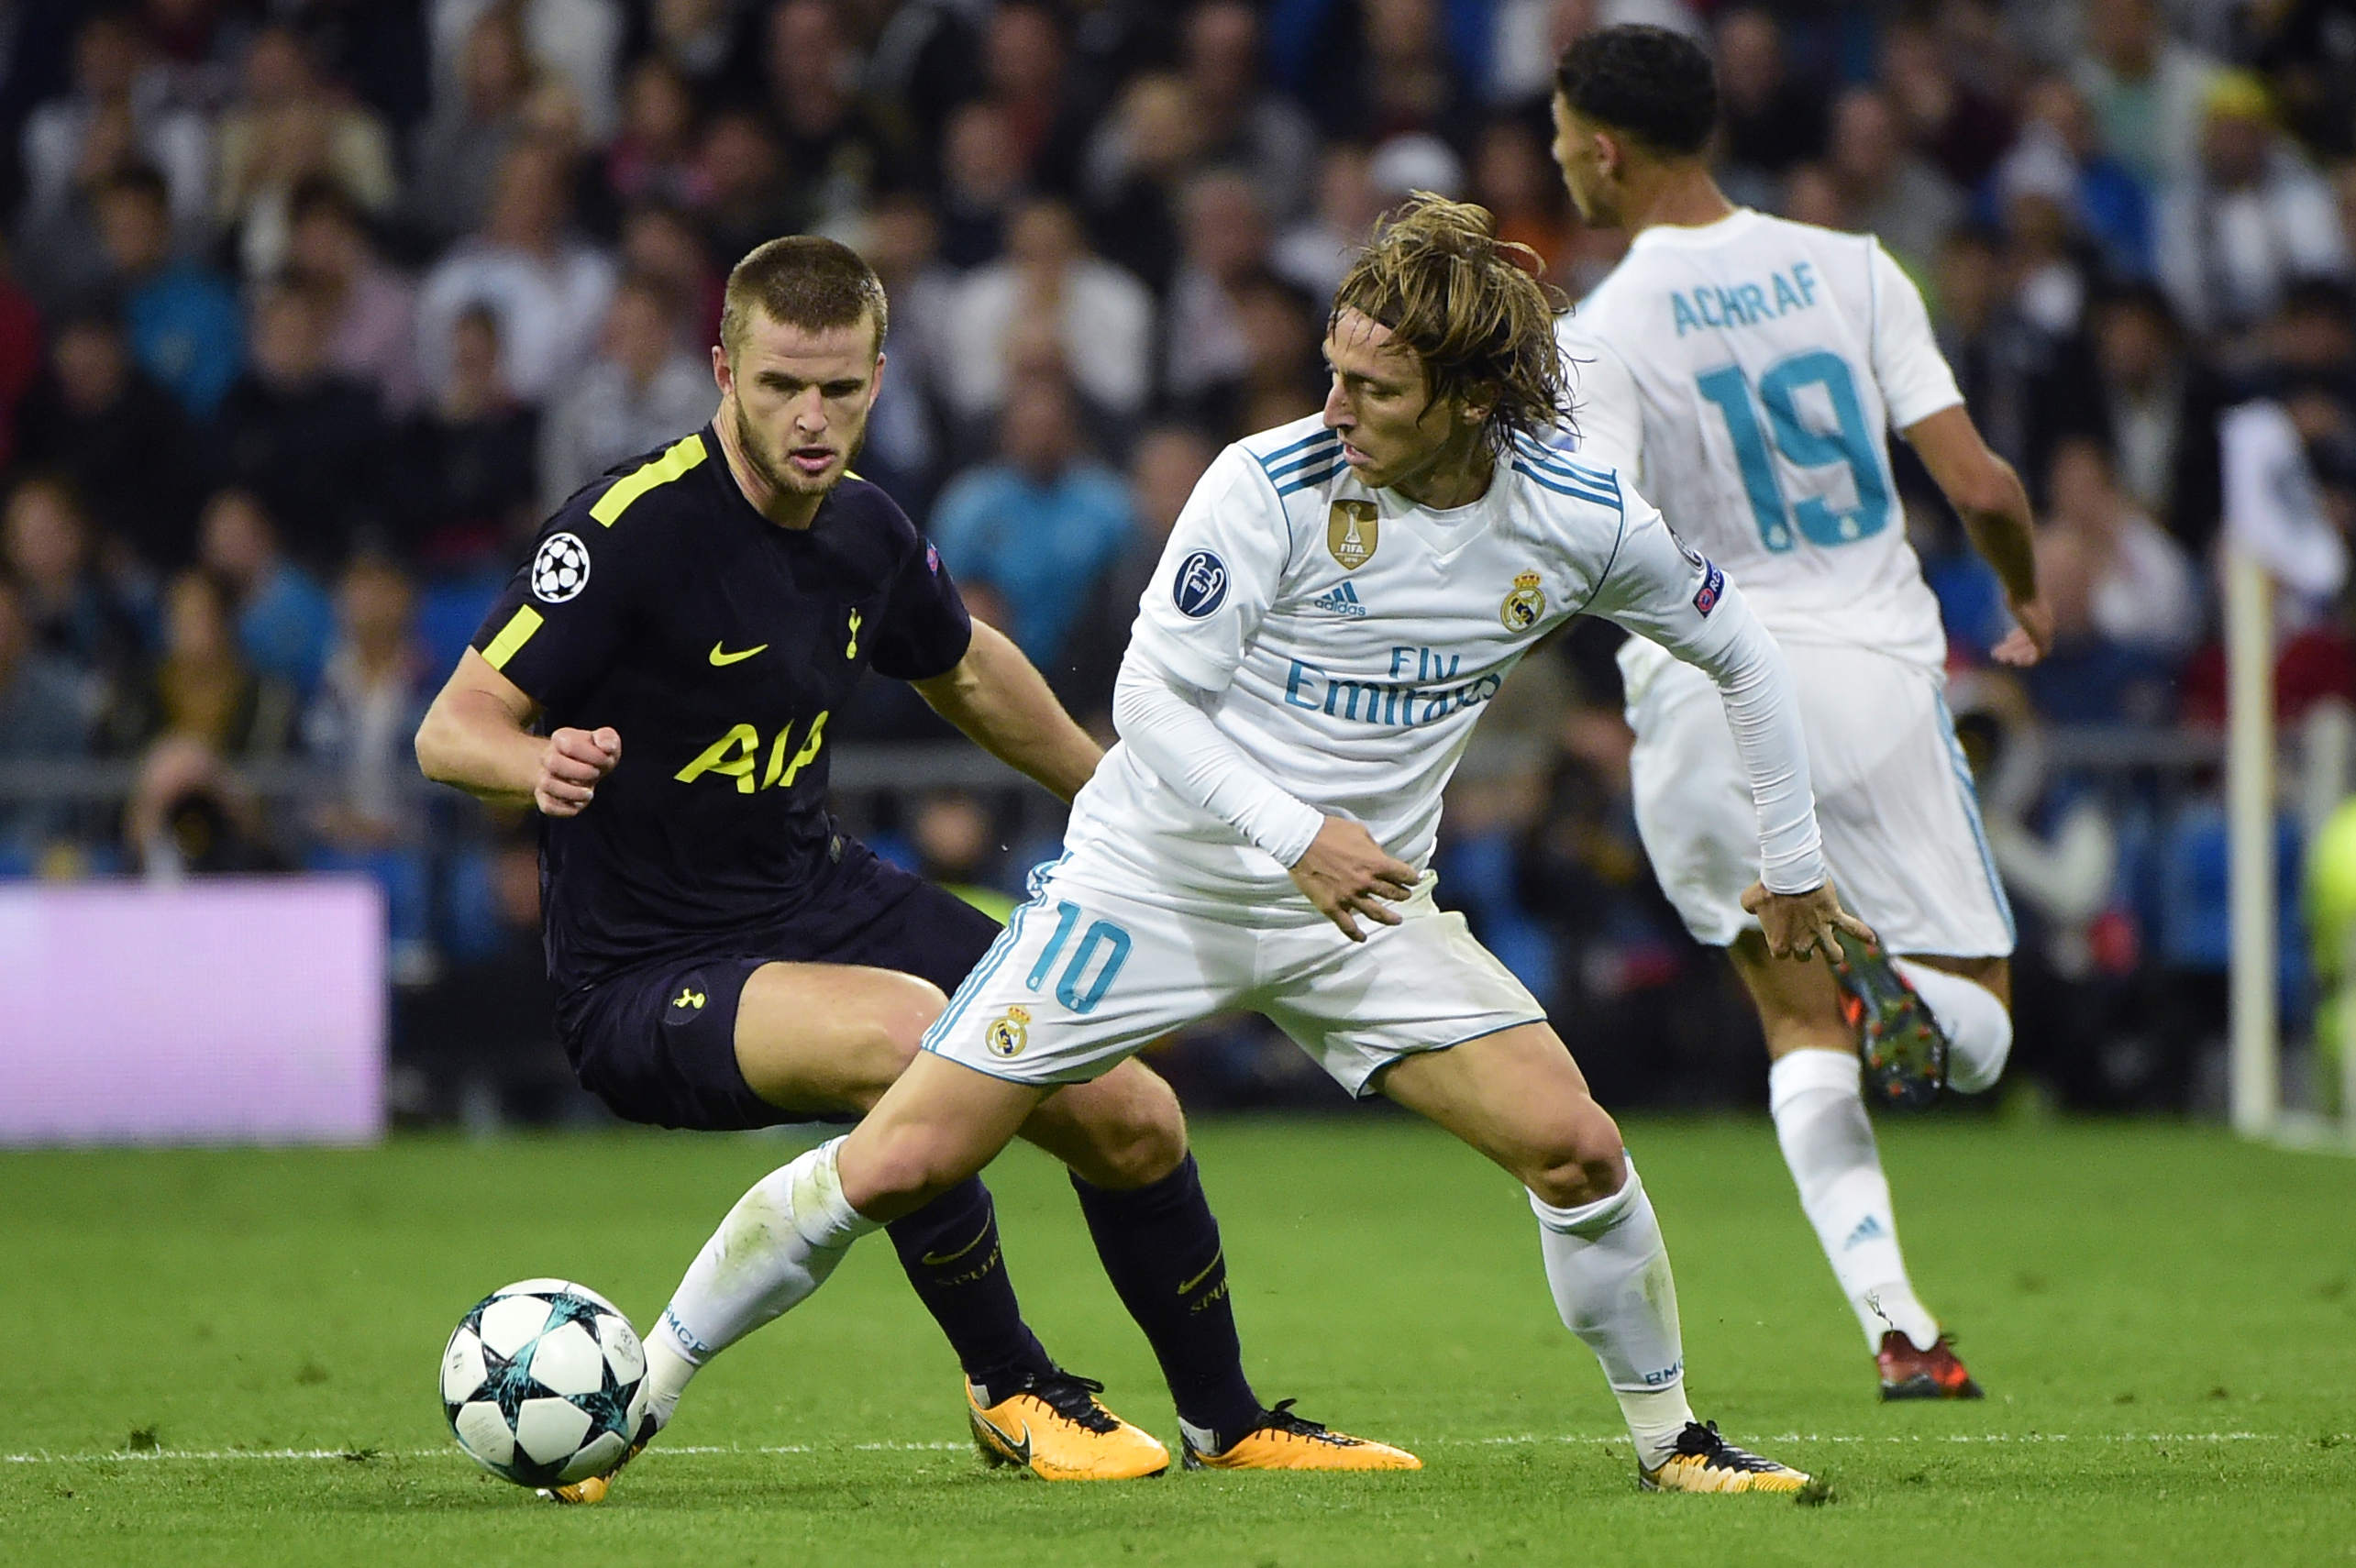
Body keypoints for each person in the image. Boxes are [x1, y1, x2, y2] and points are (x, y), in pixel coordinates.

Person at [622, 198, 1854, 1495]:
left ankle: (1673, 1443)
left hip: (1362, 911)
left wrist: (1794, 857)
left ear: (1469, 396)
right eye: (1332, 370)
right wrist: (1295, 832)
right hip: (1153, 882)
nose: (1334, 406)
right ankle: (633, 1396)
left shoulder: (1578, 518)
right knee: (904, 1157)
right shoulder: (1266, 485)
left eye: (1373, 388)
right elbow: (1149, 703)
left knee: (1578, 1148)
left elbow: (1741, 651)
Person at [413, 235, 1408, 1498]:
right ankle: (1008, 1384)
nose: (811, 417)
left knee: (1131, 1111)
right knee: (917, 1041)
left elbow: (966, 667)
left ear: (880, 377)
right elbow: (451, 726)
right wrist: (536, 762)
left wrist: (1118, 794)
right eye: (780, 386)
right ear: (722, 370)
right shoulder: (631, 530)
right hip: (644, 970)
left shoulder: (866, 533)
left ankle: (1225, 1416)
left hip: (819, 898)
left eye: (839, 388)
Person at [1549, 27, 2051, 1402]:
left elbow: (1601, 536)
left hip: (1709, 697)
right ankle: (1892, 972)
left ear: (1600, 146)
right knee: (1984, 1026)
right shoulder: (1853, 267)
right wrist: (2021, 598)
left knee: (1795, 1022)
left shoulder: (1599, 332)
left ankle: (1897, 1322)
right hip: (1872, 670)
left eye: (1557, 140)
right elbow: (1986, 488)